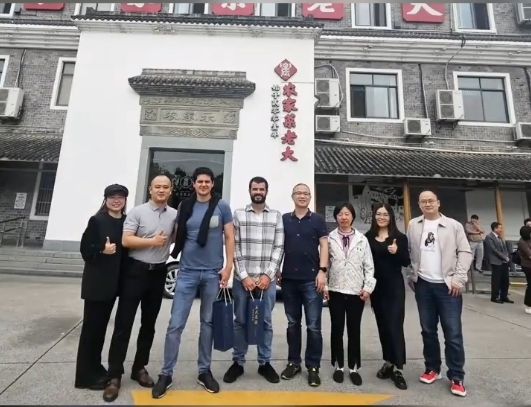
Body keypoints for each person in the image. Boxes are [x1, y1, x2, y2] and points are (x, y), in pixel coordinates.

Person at [152, 167, 234, 398]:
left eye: (208, 181)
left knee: (208, 323)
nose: (204, 185)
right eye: (200, 181)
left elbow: (230, 237)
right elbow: (176, 233)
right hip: (187, 272)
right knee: (175, 324)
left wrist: (229, 266)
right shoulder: (185, 206)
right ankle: (166, 373)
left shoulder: (222, 206)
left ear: (212, 184)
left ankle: (204, 371)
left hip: (212, 273)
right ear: (194, 184)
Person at [103, 175, 177, 402]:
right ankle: (114, 375)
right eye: (157, 187)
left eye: (165, 187)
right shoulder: (137, 212)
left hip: (158, 273)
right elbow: (126, 240)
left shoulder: (174, 215)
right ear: (150, 189)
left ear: (170, 190)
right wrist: (152, 242)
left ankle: (139, 368)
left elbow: (177, 238)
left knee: (149, 325)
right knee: (123, 324)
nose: (161, 190)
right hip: (135, 272)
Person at [406, 190, 472, 398]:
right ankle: (432, 368)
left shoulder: (453, 225)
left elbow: (465, 252)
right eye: (423, 201)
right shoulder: (413, 224)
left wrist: (458, 279)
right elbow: (410, 252)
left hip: (448, 286)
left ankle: (457, 376)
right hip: (423, 285)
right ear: (419, 204)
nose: (427, 204)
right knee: (428, 330)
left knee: (453, 333)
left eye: (431, 201)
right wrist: (411, 275)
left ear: (438, 203)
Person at [223, 177, 284, 385]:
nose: (258, 192)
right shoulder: (239, 214)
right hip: (243, 281)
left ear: (267, 191)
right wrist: (244, 276)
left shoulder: (276, 216)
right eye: (255, 188)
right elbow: (234, 246)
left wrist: (268, 275)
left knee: (265, 322)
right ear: (250, 190)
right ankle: (238, 362)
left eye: (261, 189)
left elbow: (279, 247)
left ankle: (264, 362)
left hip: (267, 281)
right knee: (240, 321)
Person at [75, 184, 129, 390]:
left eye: (120, 197)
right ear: (105, 199)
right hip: (97, 285)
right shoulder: (97, 220)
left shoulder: (126, 221)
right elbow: (85, 249)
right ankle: (85, 377)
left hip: (114, 285)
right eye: (112, 197)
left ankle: (96, 370)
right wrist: (101, 249)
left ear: (125, 200)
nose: (116, 200)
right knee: (91, 332)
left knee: (100, 332)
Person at [278, 183, 328, 387]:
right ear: (292, 196)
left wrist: (323, 271)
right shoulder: (284, 219)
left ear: (310, 197)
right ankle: (293, 363)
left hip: (311, 280)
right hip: (289, 279)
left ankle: (313, 367)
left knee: (313, 326)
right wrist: (277, 269)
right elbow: (278, 246)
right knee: (292, 324)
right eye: (298, 193)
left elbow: (324, 244)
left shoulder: (317, 219)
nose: (302, 196)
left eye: (306, 193)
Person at [325, 202, 375, 387]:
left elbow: (369, 266)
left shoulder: (362, 239)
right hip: (335, 290)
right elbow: (324, 264)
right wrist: (325, 286)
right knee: (337, 329)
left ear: (352, 216)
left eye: (347, 214)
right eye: (340, 214)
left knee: (354, 330)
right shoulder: (329, 238)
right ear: (336, 217)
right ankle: (338, 366)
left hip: (356, 292)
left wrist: (368, 287)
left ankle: (353, 368)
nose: (344, 217)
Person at [365, 203, 409, 390]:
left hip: (394, 288)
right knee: (383, 326)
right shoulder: (367, 237)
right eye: (378, 214)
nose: (381, 217)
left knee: (395, 326)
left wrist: (396, 252)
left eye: (385, 214)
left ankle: (398, 368)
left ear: (391, 217)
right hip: (377, 289)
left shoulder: (399, 237)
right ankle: (389, 362)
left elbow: (406, 261)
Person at [484, 222, 513, 304]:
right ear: (495, 228)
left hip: (504, 261)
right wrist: (504, 257)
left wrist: (506, 257)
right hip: (496, 261)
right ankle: (495, 297)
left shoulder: (499, 237)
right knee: (496, 280)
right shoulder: (489, 237)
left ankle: (504, 296)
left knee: (505, 280)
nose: (501, 229)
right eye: (500, 228)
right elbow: (494, 250)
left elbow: (504, 248)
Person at [517, 225, 531, 314]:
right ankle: (528, 305)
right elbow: (530, 255)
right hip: (528, 266)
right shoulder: (522, 242)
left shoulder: (529, 239)